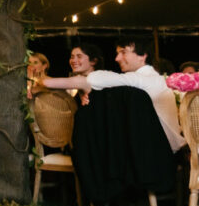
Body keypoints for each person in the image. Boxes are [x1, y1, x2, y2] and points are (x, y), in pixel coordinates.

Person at [42, 39, 184, 153]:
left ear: (143, 56)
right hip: (155, 145)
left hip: (156, 148)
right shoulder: (153, 78)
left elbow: (95, 79)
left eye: (123, 52)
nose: (117, 58)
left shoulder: (142, 79)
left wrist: (41, 81)